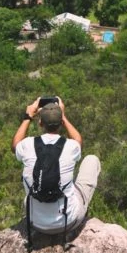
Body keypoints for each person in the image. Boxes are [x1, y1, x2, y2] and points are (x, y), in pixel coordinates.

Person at [13, 95, 100, 236]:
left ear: (40, 123)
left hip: (35, 222)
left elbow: (14, 144)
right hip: (68, 221)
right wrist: (63, 116)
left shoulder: (27, 145)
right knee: (91, 159)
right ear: (60, 123)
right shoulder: (71, 146)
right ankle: (78, 210)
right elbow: (78, 140)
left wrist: (28, 116)